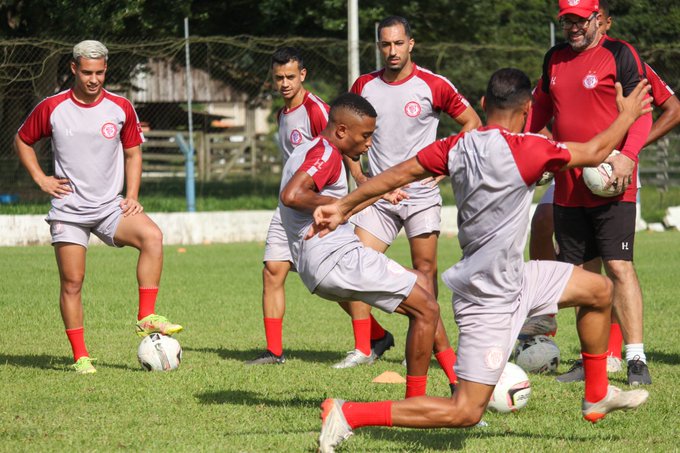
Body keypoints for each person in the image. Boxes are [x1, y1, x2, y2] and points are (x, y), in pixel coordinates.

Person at [311, 68, 651, 452]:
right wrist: (627, 115)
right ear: (526, 109)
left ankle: (596, 395)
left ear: (484, 104)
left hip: (518, 277)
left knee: (599, 290)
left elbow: (395, 175)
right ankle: (349, 413)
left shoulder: (456, 146)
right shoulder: (530, 149)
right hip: (486, 299)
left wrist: (343, 206)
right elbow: (594, 152)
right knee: (465, 411)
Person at [523, 0, 680, 363]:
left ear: (601, 21)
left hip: (613, 178)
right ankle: (589, 355)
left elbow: (644, 110)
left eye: (580, 20)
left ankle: (633, 355)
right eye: (566, 21)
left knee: (619, 265)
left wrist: (628, 154)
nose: (573, 27)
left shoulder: (622, 54)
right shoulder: (554, 58)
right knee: (581, 272)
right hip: (569, 181)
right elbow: (540, 112)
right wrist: (526, 149)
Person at [14, 40, 182, 374]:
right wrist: (41, 179)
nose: (94, 79)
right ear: (74, 69)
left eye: (100, 72)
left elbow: (133, 152)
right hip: (69, 210)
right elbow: (22, 139)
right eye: (88, 72)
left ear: (106, 69)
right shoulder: (53, 107)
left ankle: (146, 315)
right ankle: (81, 356)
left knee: (152, 237)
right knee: (72, 283)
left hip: (109, 207)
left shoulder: (120, 107)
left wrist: (131, 195)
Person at [334, 15, 481, 374]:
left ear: (411, 44)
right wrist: (359, 174)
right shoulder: (364, 85)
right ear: (379, 46)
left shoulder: (433, 84)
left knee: (424, 271)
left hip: (419, 193)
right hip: (379, 197)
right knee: (350, 270)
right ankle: (367, 344)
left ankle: (424, 344)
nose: (392, 51)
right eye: (385, 44)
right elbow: (346, 137)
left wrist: (444, 166)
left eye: (398, 43)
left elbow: (473, 123)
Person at [278, 92, 441, 399]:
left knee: (422, 287)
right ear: (341, 131)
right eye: (365, 136)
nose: (369, 144)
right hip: (335, 259)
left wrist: (375, 194)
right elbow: (293, 195)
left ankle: (451, 384)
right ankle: (421, 401)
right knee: (428, 306)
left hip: (321, 266)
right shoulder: (325, 154)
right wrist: (337, 203)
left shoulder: (308, 149)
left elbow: (337, 206)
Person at [245, 47, 330, 365]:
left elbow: (337, 152)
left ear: (303, 75)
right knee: (272, 272)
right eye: (279, 77)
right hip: (286, 209)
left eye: (290, 77)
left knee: (329, 281)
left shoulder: (317, 110)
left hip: (315, 207)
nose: (284, 83)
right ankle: (274, 352)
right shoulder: (282, 115)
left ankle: (372, 338)